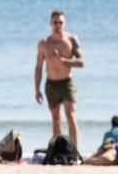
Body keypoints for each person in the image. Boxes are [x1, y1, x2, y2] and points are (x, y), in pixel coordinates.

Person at [34, 10, 84, 145]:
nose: (58, 25)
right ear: (51, 23)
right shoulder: (44, 43)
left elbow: (81, 62)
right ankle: (58, 149)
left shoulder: (71, 39)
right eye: (55, 22)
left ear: (64, 23)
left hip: (67, 82)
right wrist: (37, 89)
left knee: (71, 115)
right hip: (51, 83)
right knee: (55, 118)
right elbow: (38, 67)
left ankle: (74, 150)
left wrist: (64, 61)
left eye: (60, 22)